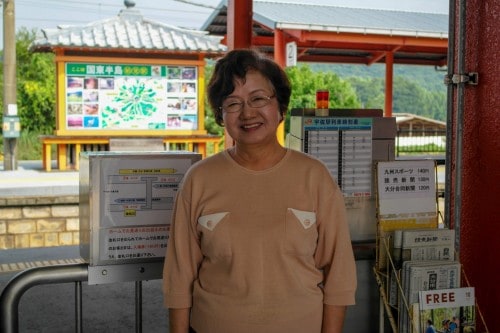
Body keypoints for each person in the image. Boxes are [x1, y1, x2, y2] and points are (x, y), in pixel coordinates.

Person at [162, 49, 357, 333]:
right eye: (232, 103)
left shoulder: (315, 177)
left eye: (258, 99)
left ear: (280, 107)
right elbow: (179, 277)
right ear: (221, 115)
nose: (247, 113)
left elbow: (339, 274)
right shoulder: (199, 179)